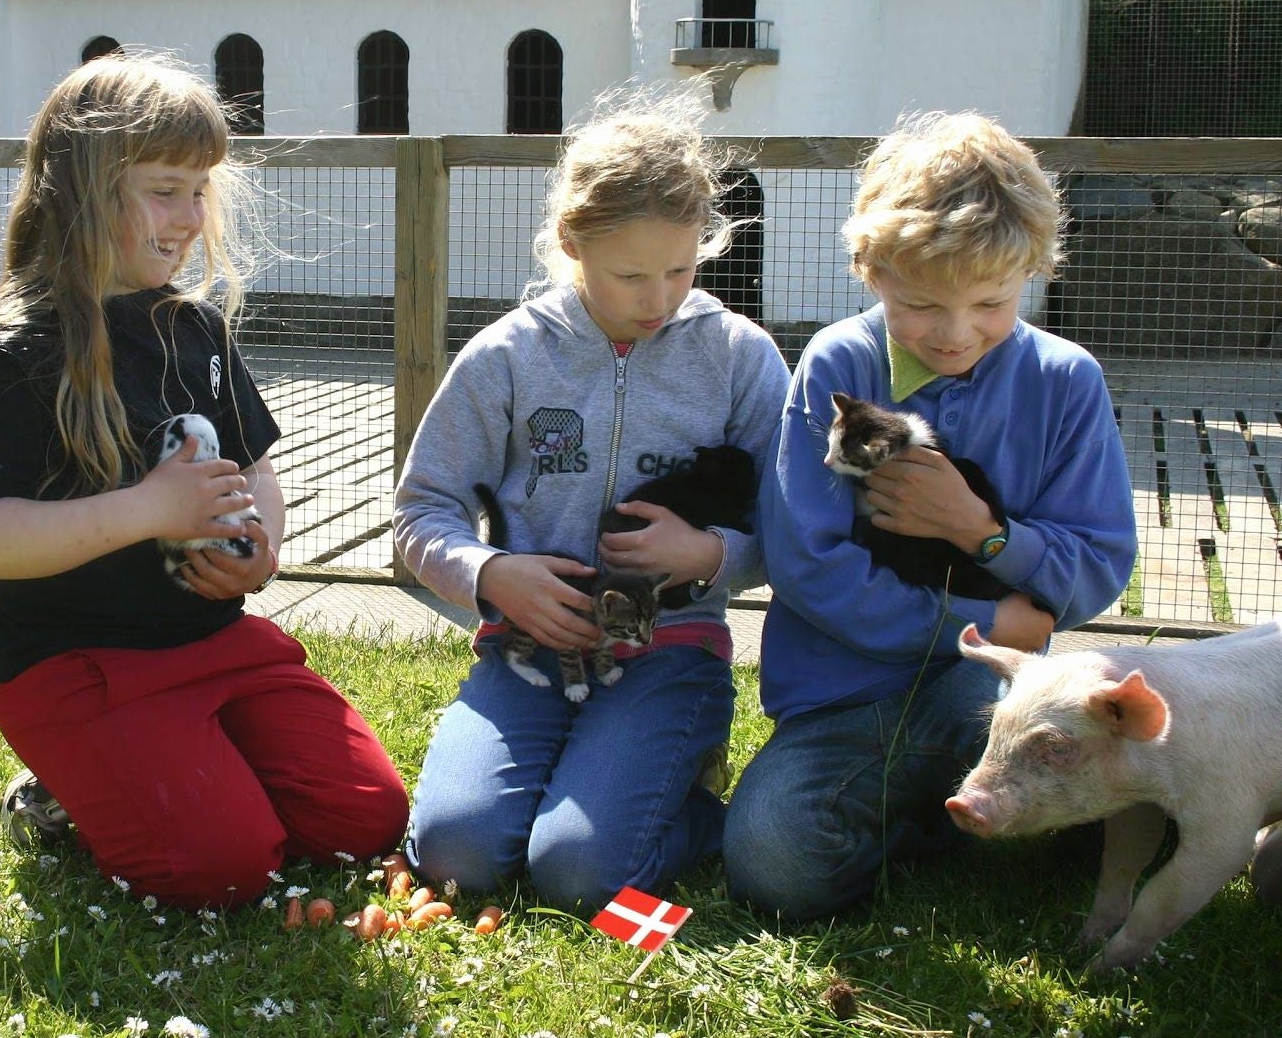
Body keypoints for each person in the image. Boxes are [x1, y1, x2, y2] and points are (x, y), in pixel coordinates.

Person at [0, 52, 408, 909]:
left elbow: (256, 467)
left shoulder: (197, 329)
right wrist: (148, 509)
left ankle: (186, 770)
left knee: (365, 816)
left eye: (200, 191)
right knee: (220, 869)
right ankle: (68, 796)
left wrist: (260, 552)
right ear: (80, 189)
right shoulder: (2, 349)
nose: (190, 216)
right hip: (77, 664)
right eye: (164, 189)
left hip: (217, 644)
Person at [723, 111, 1137, 918]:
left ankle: (928, 811)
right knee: (773, 866)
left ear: (1032, 271)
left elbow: (1096, 565)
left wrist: (979, 528)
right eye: (921, 304)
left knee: (1063, 751)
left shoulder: (1066, 380)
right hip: (843, 700)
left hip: (985, 696)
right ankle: (940, 822)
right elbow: (808, 563)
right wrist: (985, 623)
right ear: (872, 271)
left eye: (990, 302)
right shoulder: (838, 363)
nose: (955, 334)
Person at [391, 90, 791, 912]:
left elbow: (795, 531)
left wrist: (710, 555)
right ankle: (599, 785)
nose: (660, 298)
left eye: (681, 269)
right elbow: (420, 511)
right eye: (631, 275)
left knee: (578, 874)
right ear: (572, 245)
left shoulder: (740, 358)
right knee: (453, 852)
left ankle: (694, 810)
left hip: (670, 655)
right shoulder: (507, 355)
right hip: (526, 655)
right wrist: (492, 573)